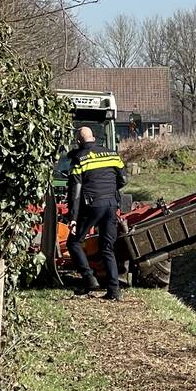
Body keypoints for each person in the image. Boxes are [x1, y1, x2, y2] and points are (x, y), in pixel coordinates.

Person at [66, 126, 127, 299]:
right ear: (94, 137)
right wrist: (110, 192)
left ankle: (89, 279)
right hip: (111, 204)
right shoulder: (112, 154)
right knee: (107, 247)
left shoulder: (79, 159)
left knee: (74, 242)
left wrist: (73, 218)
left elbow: (75, 193)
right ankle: (114, 290)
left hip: (92, 205)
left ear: (78, 141)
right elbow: (124, 179)